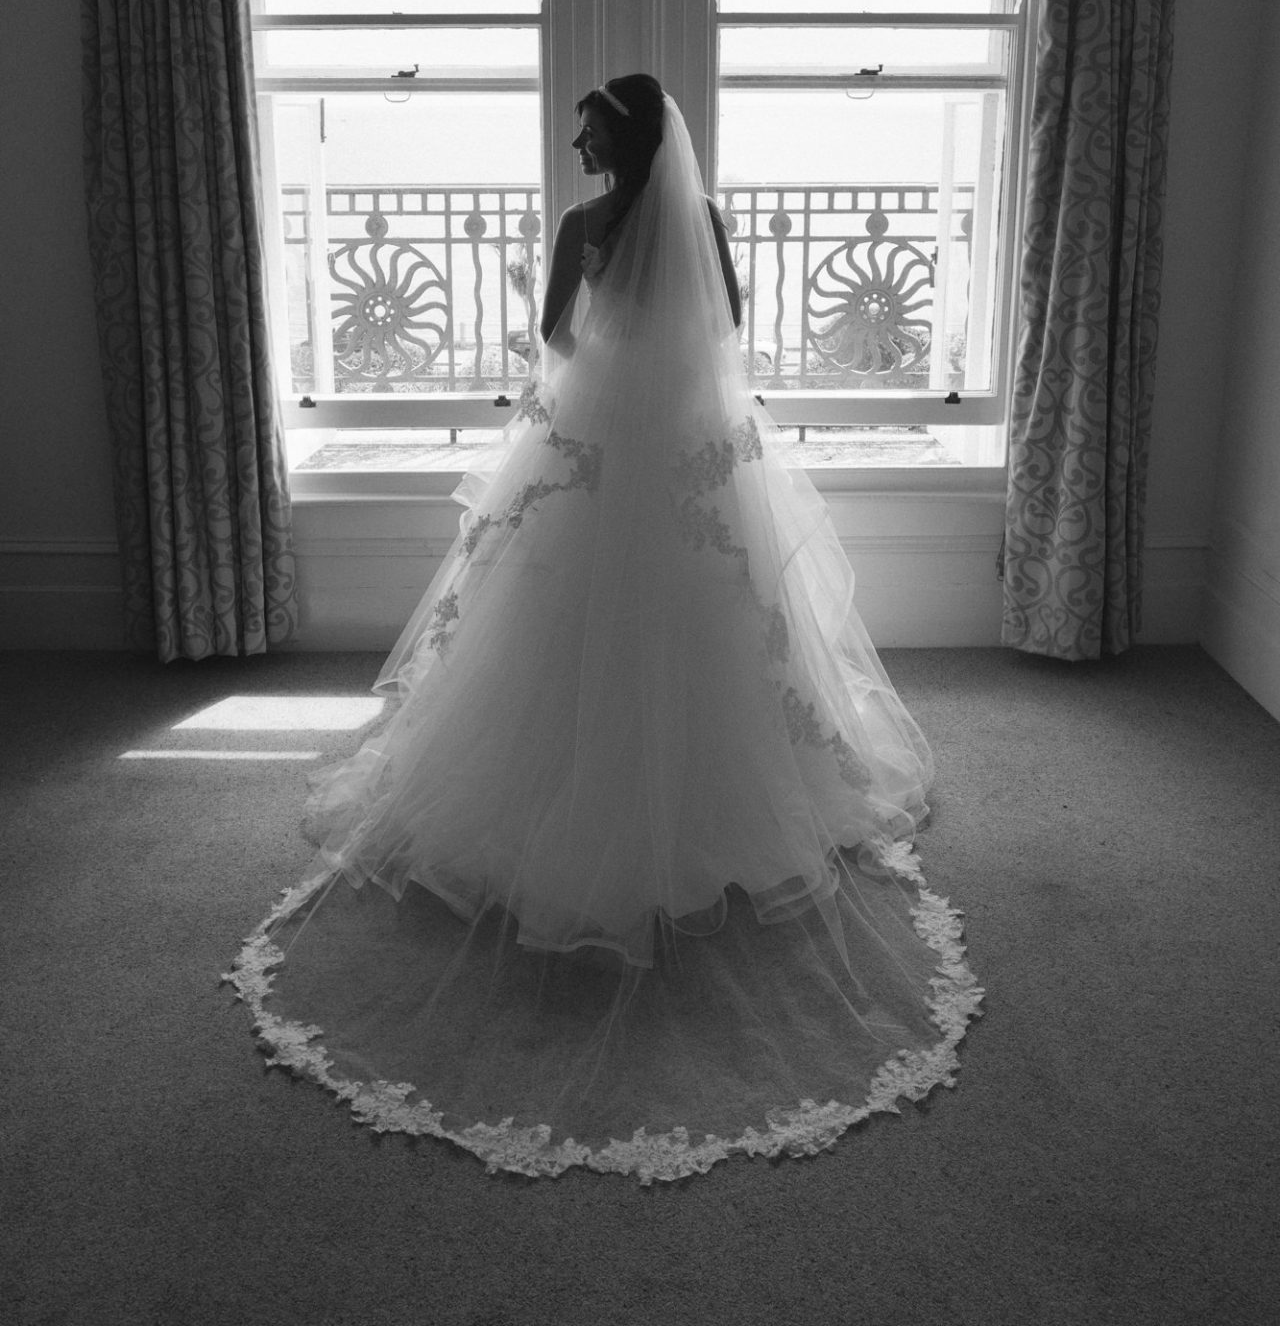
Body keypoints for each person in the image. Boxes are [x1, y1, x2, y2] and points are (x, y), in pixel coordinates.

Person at [227, 75, 981, 1181]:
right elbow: (726, 325)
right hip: (680, 429)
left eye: (587, 130)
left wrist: (601, 378)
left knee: (559, 602)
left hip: (596, 433)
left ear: (619, 138)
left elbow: (553, 336)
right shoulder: (700, 217)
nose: (576, 144)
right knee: (713, 601)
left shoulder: (582, 225)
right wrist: (658, 374)